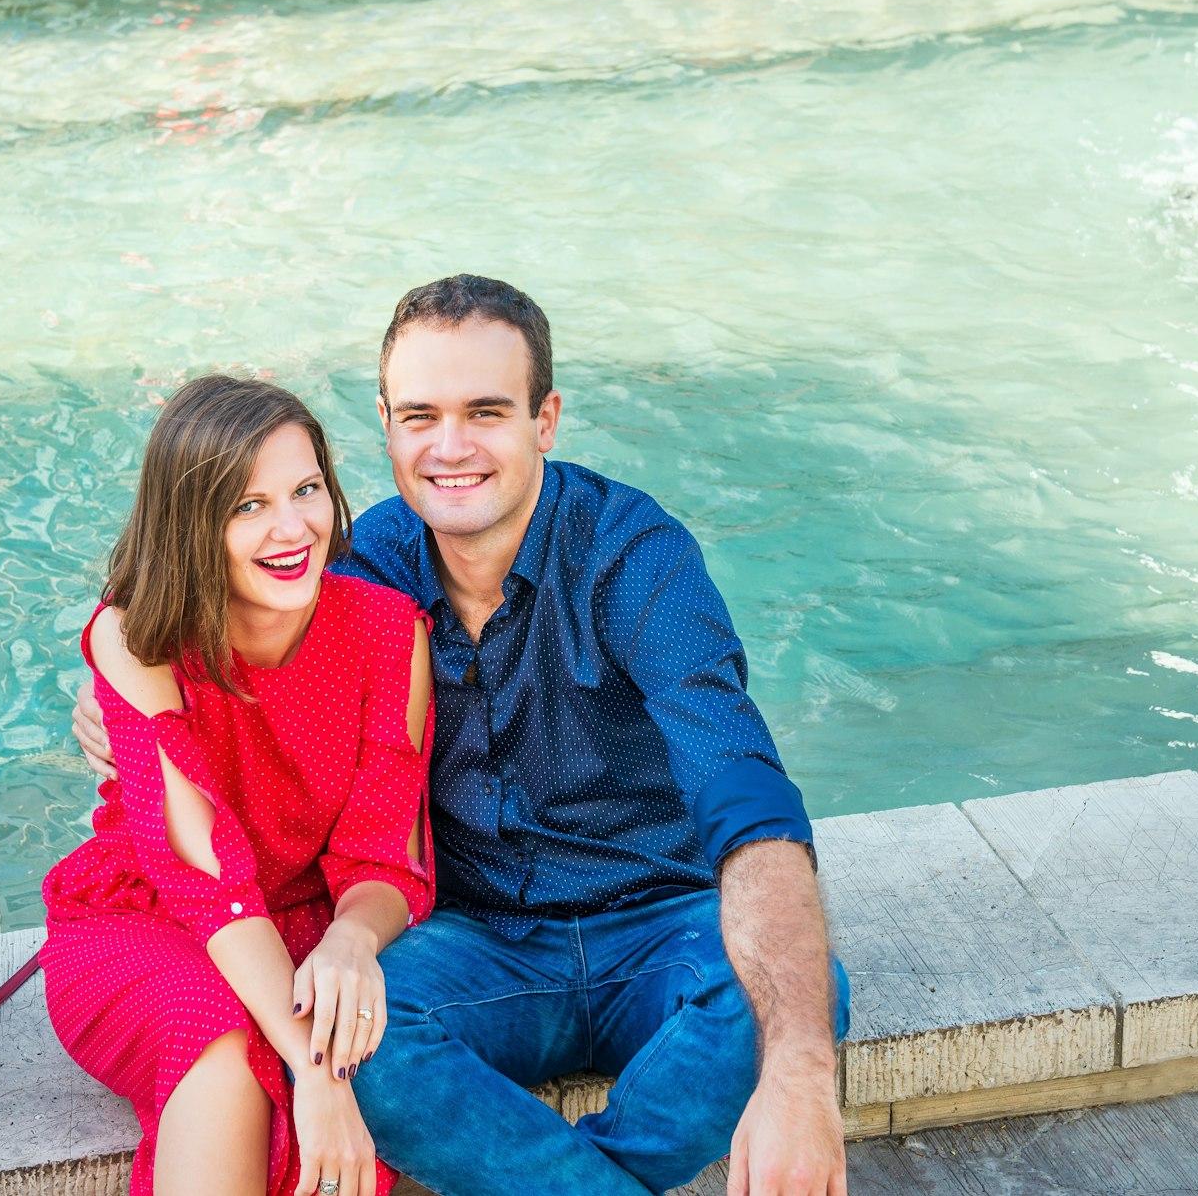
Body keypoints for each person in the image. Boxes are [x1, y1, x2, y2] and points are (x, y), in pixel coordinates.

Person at [77, 277, 850, 1196]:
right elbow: (211, 626)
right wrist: (115, 710)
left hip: (658, 925)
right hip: (473, 942)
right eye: (420, 416)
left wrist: (802, 1070)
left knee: (792, 1002)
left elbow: (743, 788)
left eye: (486, 411)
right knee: (352, 1034)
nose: (450, 448)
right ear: (386, 426)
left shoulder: (635, 559)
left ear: (546, 419)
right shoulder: (356, 570)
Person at [42, 374, 435, 1196]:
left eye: (306, 489)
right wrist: (315, 1071)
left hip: (307, 926)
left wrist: (350, 940)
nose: (292, 528)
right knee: (219, 1040)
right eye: (246, 505)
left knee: (373, 1037)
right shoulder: (136, 636)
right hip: (150, 915)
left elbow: (387, 856)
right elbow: (202, 872)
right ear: (192, 523)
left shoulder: (389, 633)